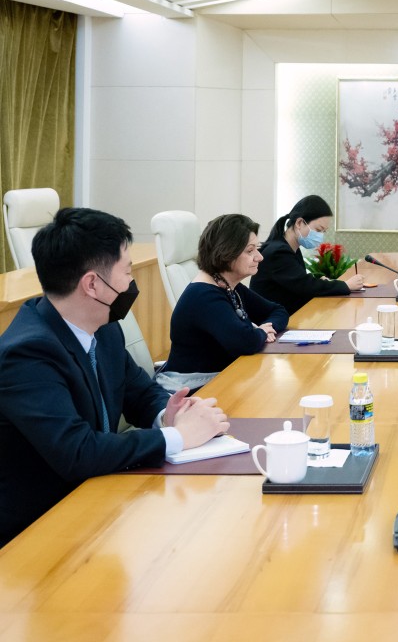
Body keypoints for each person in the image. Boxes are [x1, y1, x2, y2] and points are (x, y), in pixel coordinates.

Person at [0, 208, 229, 547]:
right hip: (41, 528)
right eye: (127, 271)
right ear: (92, 284)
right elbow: (77, 452)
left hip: (99, 499)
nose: (131, 283)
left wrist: (169, 412)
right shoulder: (26, 355)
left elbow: (137, 391)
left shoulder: (104, 330)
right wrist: (178, 438)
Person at [162, 214, 289, 384]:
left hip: (220, 377)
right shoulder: (204, 296)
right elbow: (245, 341)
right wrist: (260, 332)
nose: (260, 257)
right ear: (227, 253)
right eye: (250, 251)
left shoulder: (230, 286)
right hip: (191, 387)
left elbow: (278, 311)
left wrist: (267, 328)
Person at [251, 195, 364, 315]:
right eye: (318, 230)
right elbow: (306, 286)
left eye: (323, 232)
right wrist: (346, 285)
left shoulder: (290, 248)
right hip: (270, 324)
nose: (320, 236)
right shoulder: (278, 252)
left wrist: (321, 282)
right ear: (299, 223)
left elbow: (297, 281)